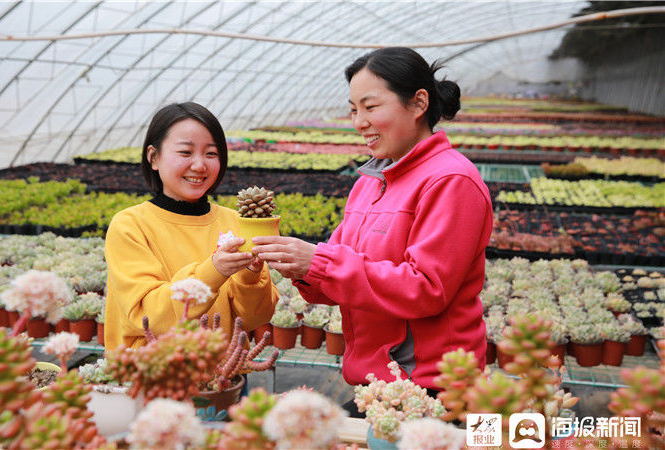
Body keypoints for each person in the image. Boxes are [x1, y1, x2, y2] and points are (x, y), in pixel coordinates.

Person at [252, 47, 493, 417]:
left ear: (418, 104)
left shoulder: (451, 180)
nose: (359, 121)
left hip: (429, 389)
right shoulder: (370, 181)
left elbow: (426, 288)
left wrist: (318, 261)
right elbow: (334, 277)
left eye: (371, 106)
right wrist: (293, 263)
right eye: (353, 109)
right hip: (380, 384)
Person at [104, 102, 278, 351]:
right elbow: (150, 316)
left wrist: (250, 275)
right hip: (155, 376)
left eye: (211, 154)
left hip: (223, 377)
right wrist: (214, 270)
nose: (199, 165)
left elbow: (254, 318)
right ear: (154, 157)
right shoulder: (130, 226)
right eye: (186, 153)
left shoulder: (234, 222)